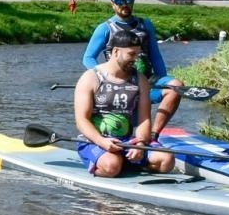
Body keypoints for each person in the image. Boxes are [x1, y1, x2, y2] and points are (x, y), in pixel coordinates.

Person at [81, 0, 183, 137]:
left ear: (133, 1)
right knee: (125, 130)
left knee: (176, 87)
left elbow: (155, 55)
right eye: (120, 1)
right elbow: (88, 58)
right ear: (112, 4)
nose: (125, 4)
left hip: (145, 81)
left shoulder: (145, 25)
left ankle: (153, 135)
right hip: (118, 85)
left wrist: (160, 79)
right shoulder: (104, 29)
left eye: (128, 0)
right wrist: (104, 79)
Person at [73, 29, 174, 177]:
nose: (136, 60)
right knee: (111, 166)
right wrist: (101, 141)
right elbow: (81, 120)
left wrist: (140, 143)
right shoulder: (90, 78)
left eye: (138, 55)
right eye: (131, 54)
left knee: (166, 160)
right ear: (115, 52)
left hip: (127, 141)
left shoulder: (140, 80)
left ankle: (127, 161)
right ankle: (111, 163)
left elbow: (144, 119)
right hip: (95, 140)